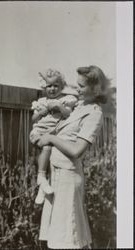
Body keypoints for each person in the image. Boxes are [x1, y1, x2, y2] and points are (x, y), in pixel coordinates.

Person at [36, 65, 110, 249]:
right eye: (77, 85)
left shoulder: (94, 113)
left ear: (95, 88)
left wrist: (50, 138)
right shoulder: (77, 106)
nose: (77, 89)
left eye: (82, 86)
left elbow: (78, 150)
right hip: (55, 175)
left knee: (68, 239)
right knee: (57, 237)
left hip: (68, 179)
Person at [30, 69, 78, 204]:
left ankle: (42, 187)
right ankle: (40, 176)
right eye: (49, 86)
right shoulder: (41, 101)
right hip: (39, 133)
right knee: (46, 148)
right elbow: (33, 118)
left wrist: (58, 106)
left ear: (62, 87)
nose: (52, 88)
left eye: (56, 85)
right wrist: (42, 112)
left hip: (55, 135)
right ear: (44, 87)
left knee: (54, 160)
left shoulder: (65, 100)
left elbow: (68, 114)